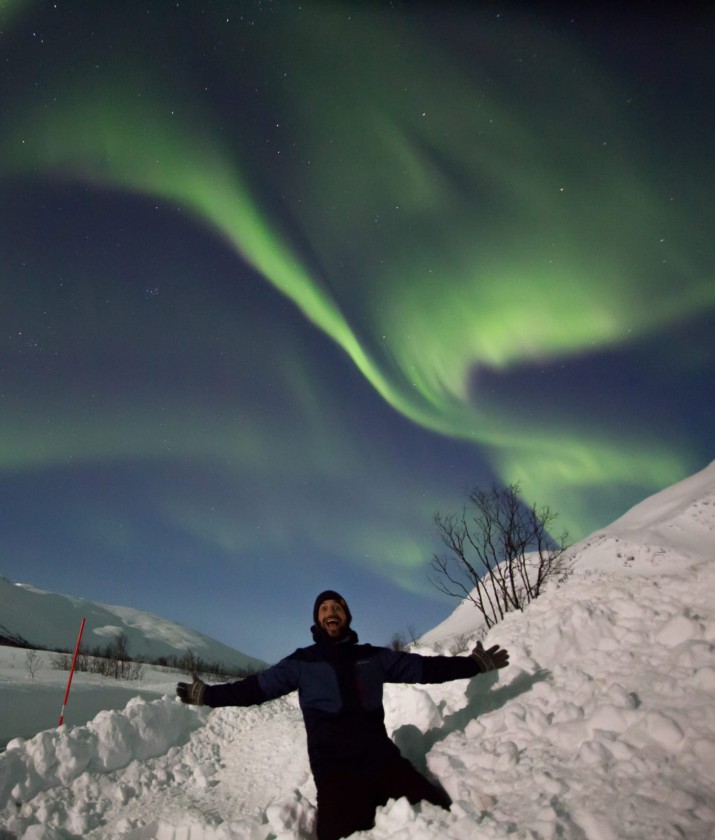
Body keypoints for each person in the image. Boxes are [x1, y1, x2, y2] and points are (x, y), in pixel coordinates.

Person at [177, 589, 509, 840]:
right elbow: (254, 689)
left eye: (337, 607)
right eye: (324, 608)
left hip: (384, 761)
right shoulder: (301, 662)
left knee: (440, 819)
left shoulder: (372, 658)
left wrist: (473, 664)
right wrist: (208, 695)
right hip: (336, 773)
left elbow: (423, 668)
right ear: (317, 620)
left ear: (346, 617)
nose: (331, 612)